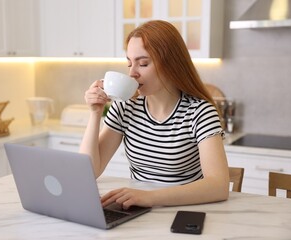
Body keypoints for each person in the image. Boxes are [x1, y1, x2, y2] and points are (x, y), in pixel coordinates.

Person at [80, 20, 229, 209]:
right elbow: (89, 172)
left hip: (184, 210)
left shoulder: (200, 112)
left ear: (171, 64)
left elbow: (218, 186)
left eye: (143, 64)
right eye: (129, 63)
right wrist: (95, 113)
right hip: (138, 210)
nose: (132, 73)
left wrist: (149, 197)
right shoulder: (125, 107)